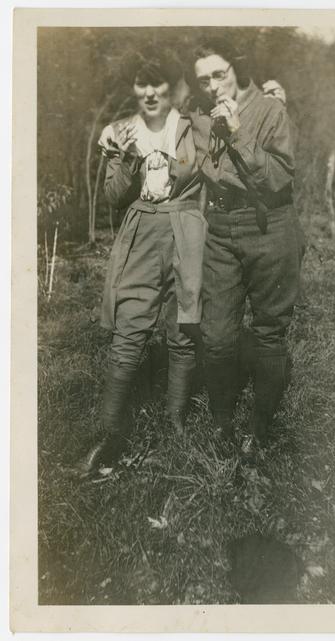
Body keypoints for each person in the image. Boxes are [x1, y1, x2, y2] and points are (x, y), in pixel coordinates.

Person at [68, 49, 207, 478]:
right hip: (142, 231)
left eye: (157, 84)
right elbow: (113, 195)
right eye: (141, 84)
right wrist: (124, 156)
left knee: (185, 329)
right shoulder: (118, 131)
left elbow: (209, 166)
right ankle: (109, 436)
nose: (149, 93)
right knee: (129, 329)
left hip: (186, 228)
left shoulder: (192, 125)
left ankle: (176, 425)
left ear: (172, 87)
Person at [188, 38, 305, 449]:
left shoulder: (271, 110)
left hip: (269, 224)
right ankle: (222, 422)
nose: (213, 86)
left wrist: (238, 134)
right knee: (217, 335)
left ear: (236, 69)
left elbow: (279, 178)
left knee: (269, 331)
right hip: (220, 228)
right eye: (204, 79)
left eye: (219, 74)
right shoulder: (197, 114)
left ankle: (261, 427)